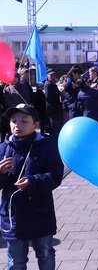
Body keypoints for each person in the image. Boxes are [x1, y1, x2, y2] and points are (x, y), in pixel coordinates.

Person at [0, 103, 64, 269]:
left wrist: (32, 181)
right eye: (13, 121)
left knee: (45, 254)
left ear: (36, 124)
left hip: (40, 212)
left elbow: (55, 176)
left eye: (24, 121)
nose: (17, 125)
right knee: (16, 260)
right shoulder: (3, 148)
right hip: (13, 215)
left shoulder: (46, 146)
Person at [44, 69, 64, 144]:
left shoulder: (52, 84)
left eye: (54, 75)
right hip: (53, 110)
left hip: (55, 109)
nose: (53, 77)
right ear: (48, 76)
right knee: (55, 127)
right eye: (51, 75)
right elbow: (48, 98)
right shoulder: (48, 85)